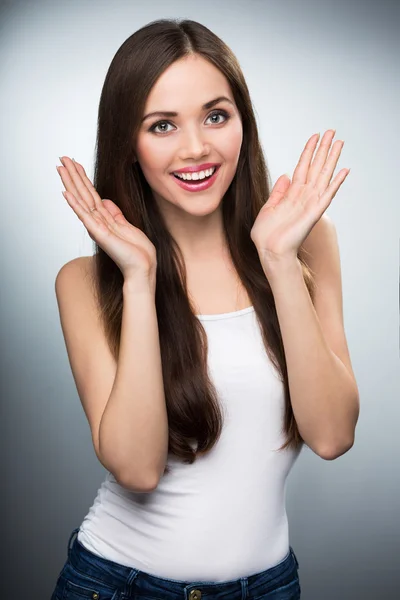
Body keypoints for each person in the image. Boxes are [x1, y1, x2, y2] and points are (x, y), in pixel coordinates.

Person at [51, 17, 359, 600]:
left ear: (243, 121)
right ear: (128, 144)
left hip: (269, 587)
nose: (196, 148)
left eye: (216, 116)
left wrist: (278, 261)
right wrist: (140, 280)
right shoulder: (87, 282)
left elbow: (332, 435)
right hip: (117, 585)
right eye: (162, 125)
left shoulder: (307, 244)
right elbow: (138, 470)